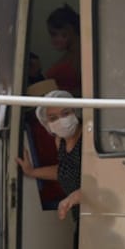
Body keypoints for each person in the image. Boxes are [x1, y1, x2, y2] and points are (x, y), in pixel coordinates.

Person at [16, 89, 83, 220]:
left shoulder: (87, 137)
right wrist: (31, 172)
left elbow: (101, 179)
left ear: (75, 111)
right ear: (47, 124)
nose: (61, 120)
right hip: (78, 214)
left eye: (65, 113)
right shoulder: (60, 140)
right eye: (53, 118)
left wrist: (74, 197)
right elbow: (65, 169)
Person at [43, 4, 82, 91]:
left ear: (69, 29)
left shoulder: (82, 57)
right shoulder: (71, 55)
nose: (52, 40)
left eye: (53, 34)